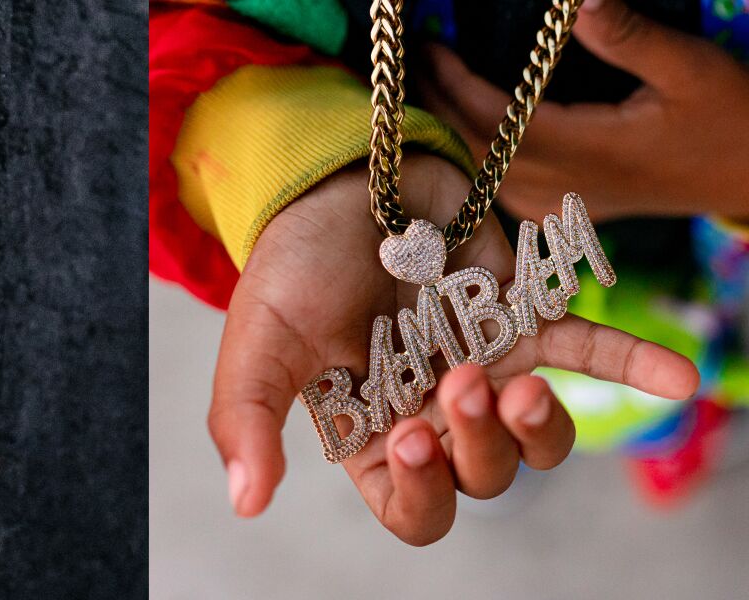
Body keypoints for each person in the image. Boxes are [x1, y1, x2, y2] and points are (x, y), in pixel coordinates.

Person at [149, 0, 737, 546]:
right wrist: (295, 153)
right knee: (560, 399)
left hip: (706, 249)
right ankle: (652, 432)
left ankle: (684, 421)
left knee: (681, 367)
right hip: (493, 274)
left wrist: (731, 168)